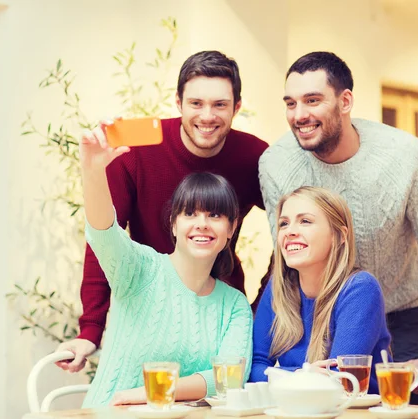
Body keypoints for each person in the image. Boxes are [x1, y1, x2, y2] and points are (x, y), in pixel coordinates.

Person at [258, 52, 418, 404]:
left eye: (312, 100)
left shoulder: (405, 156)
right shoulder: (276, 164)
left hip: (401, 318)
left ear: (345, 101)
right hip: (322, 317)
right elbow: (290, 253)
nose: (299, 115)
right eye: (290, 103)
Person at [55, 50, 268, 372]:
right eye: (196, 103)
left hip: (218, 309)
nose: (207, 116)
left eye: (220, 105)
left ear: (237, 107)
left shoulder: (254, 156)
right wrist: (90, 330)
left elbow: (293, 227)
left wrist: (264, 305)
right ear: (178, 102)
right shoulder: (136, 151)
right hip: (148, 305)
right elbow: (103, 240)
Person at [77, 120, 253, 406]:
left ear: (232, 228)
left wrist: (145, 393)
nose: (202, 225)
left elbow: (230, 379)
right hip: (109, 412)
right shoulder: (140, 269)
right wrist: (93, 170)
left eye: (215, 216)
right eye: (190, 214)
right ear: (173, 224)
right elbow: (103, 233)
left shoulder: (234, 305)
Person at [249, 186, 391, 395]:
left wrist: (279, 375)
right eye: (284, 224)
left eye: (305, 221)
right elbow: (253, 368)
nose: (290, 231)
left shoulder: (360, 290)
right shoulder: (278, 288)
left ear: (340, 235)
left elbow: (336, 380)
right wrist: (301, 375)